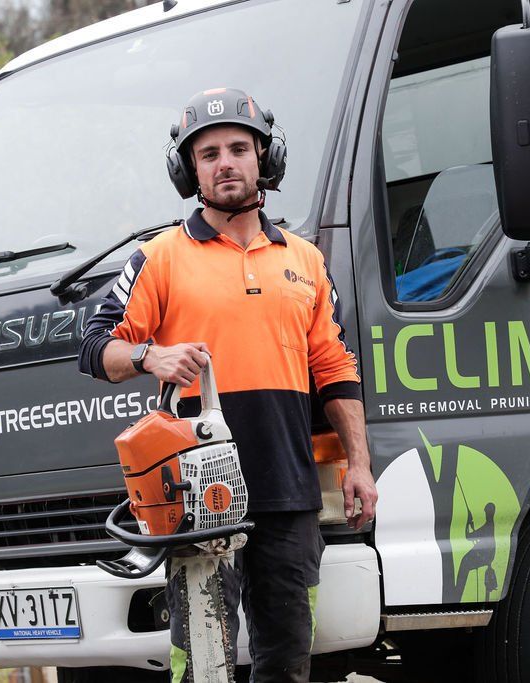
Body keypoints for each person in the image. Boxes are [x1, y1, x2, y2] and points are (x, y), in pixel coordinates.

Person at [77, 87, 378, 682]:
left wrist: (360, 467)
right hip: (197, 498)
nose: (225, 163)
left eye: (238, 148)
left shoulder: (307, 260)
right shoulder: (159, 258)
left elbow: (337, 370)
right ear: (189, 170)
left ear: (265, 158)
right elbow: (93, 347)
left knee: (288, 663)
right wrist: (150, 356)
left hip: (291, 495)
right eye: (208, 153)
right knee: (203, 668)